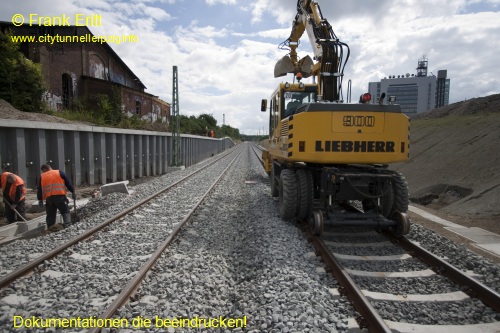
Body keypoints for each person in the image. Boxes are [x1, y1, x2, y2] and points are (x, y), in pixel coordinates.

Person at [37, 164, 76, 229]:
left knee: (50, 215)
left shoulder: (42, 176)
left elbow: (40, 189)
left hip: (49, 199)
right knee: (65, 211)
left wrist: (40, 199)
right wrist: (73, 192)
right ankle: (68, 226)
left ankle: (50, 228)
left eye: (43, 171)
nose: (43, 172)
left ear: (44, 169)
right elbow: (68, 184)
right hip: (60, 197)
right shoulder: (59, 172)